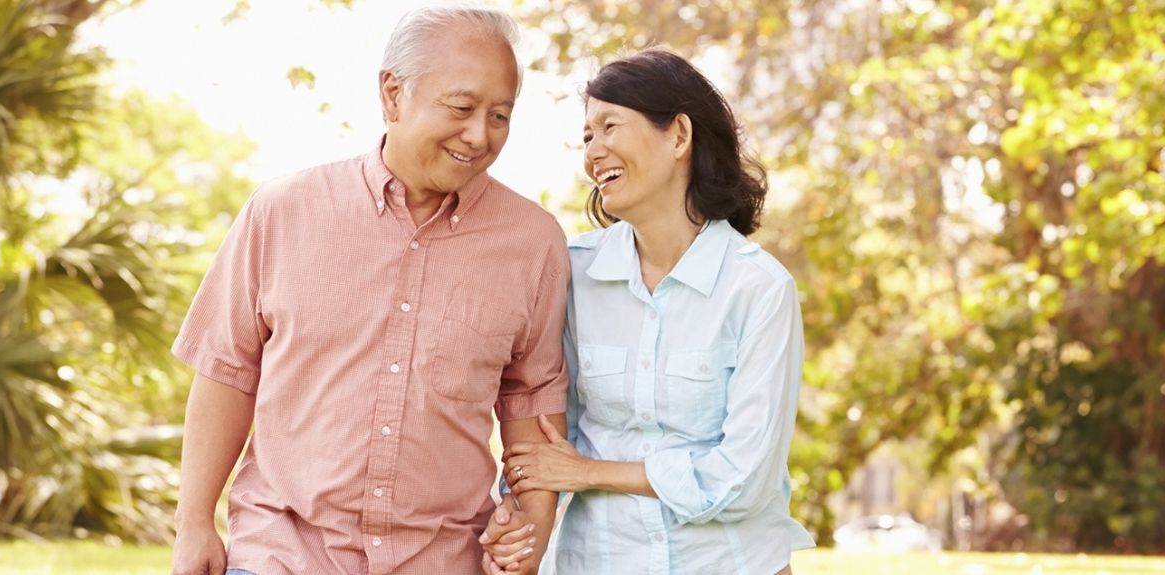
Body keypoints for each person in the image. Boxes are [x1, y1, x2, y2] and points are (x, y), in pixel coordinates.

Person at [169, 6, 567, 575]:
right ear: (393, 94)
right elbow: (227, 372)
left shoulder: (534, 244)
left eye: (500, 115)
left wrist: (529, 526)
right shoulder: (283, 211)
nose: (479, 135)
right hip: (284, 552)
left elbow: (531, 403)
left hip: (443, 559)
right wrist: (194, 523)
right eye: (461, 107)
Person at [477, 48, 814, 575]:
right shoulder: (574, 274)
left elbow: (744, 479)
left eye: (610, 126)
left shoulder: (758, 288)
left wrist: (591, 473)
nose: (594, 151)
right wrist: (515, 520)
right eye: (587, 136)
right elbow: (542, 436)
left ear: (679, 136)